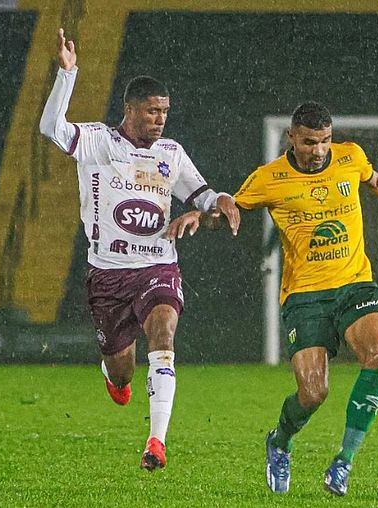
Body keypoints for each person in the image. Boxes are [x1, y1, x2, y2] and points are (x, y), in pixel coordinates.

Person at [39, 28, 240, 472]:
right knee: (123, 370)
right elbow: (51, 128)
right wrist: (66, 76)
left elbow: (202, 195)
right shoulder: (97, 142)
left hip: (157, 264)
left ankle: (156, 441)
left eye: (165, 112)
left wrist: (220, 200)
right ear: (129, 110)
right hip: (107, 274)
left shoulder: (171, 152)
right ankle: (114, 376)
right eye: (152, 111)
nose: (160, 119)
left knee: (164, 334)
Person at [233, 102, 378, 496]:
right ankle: (279, 441)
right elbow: (232, 207)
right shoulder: (269, 178)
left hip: (354, 283)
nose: (319, 150)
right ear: (292, 137)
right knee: (313, 393)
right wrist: (205, 212)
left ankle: (343, 462)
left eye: (325, 141)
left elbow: (376, 183)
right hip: (305, 295)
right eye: (310, 142)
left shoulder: (350, 156)